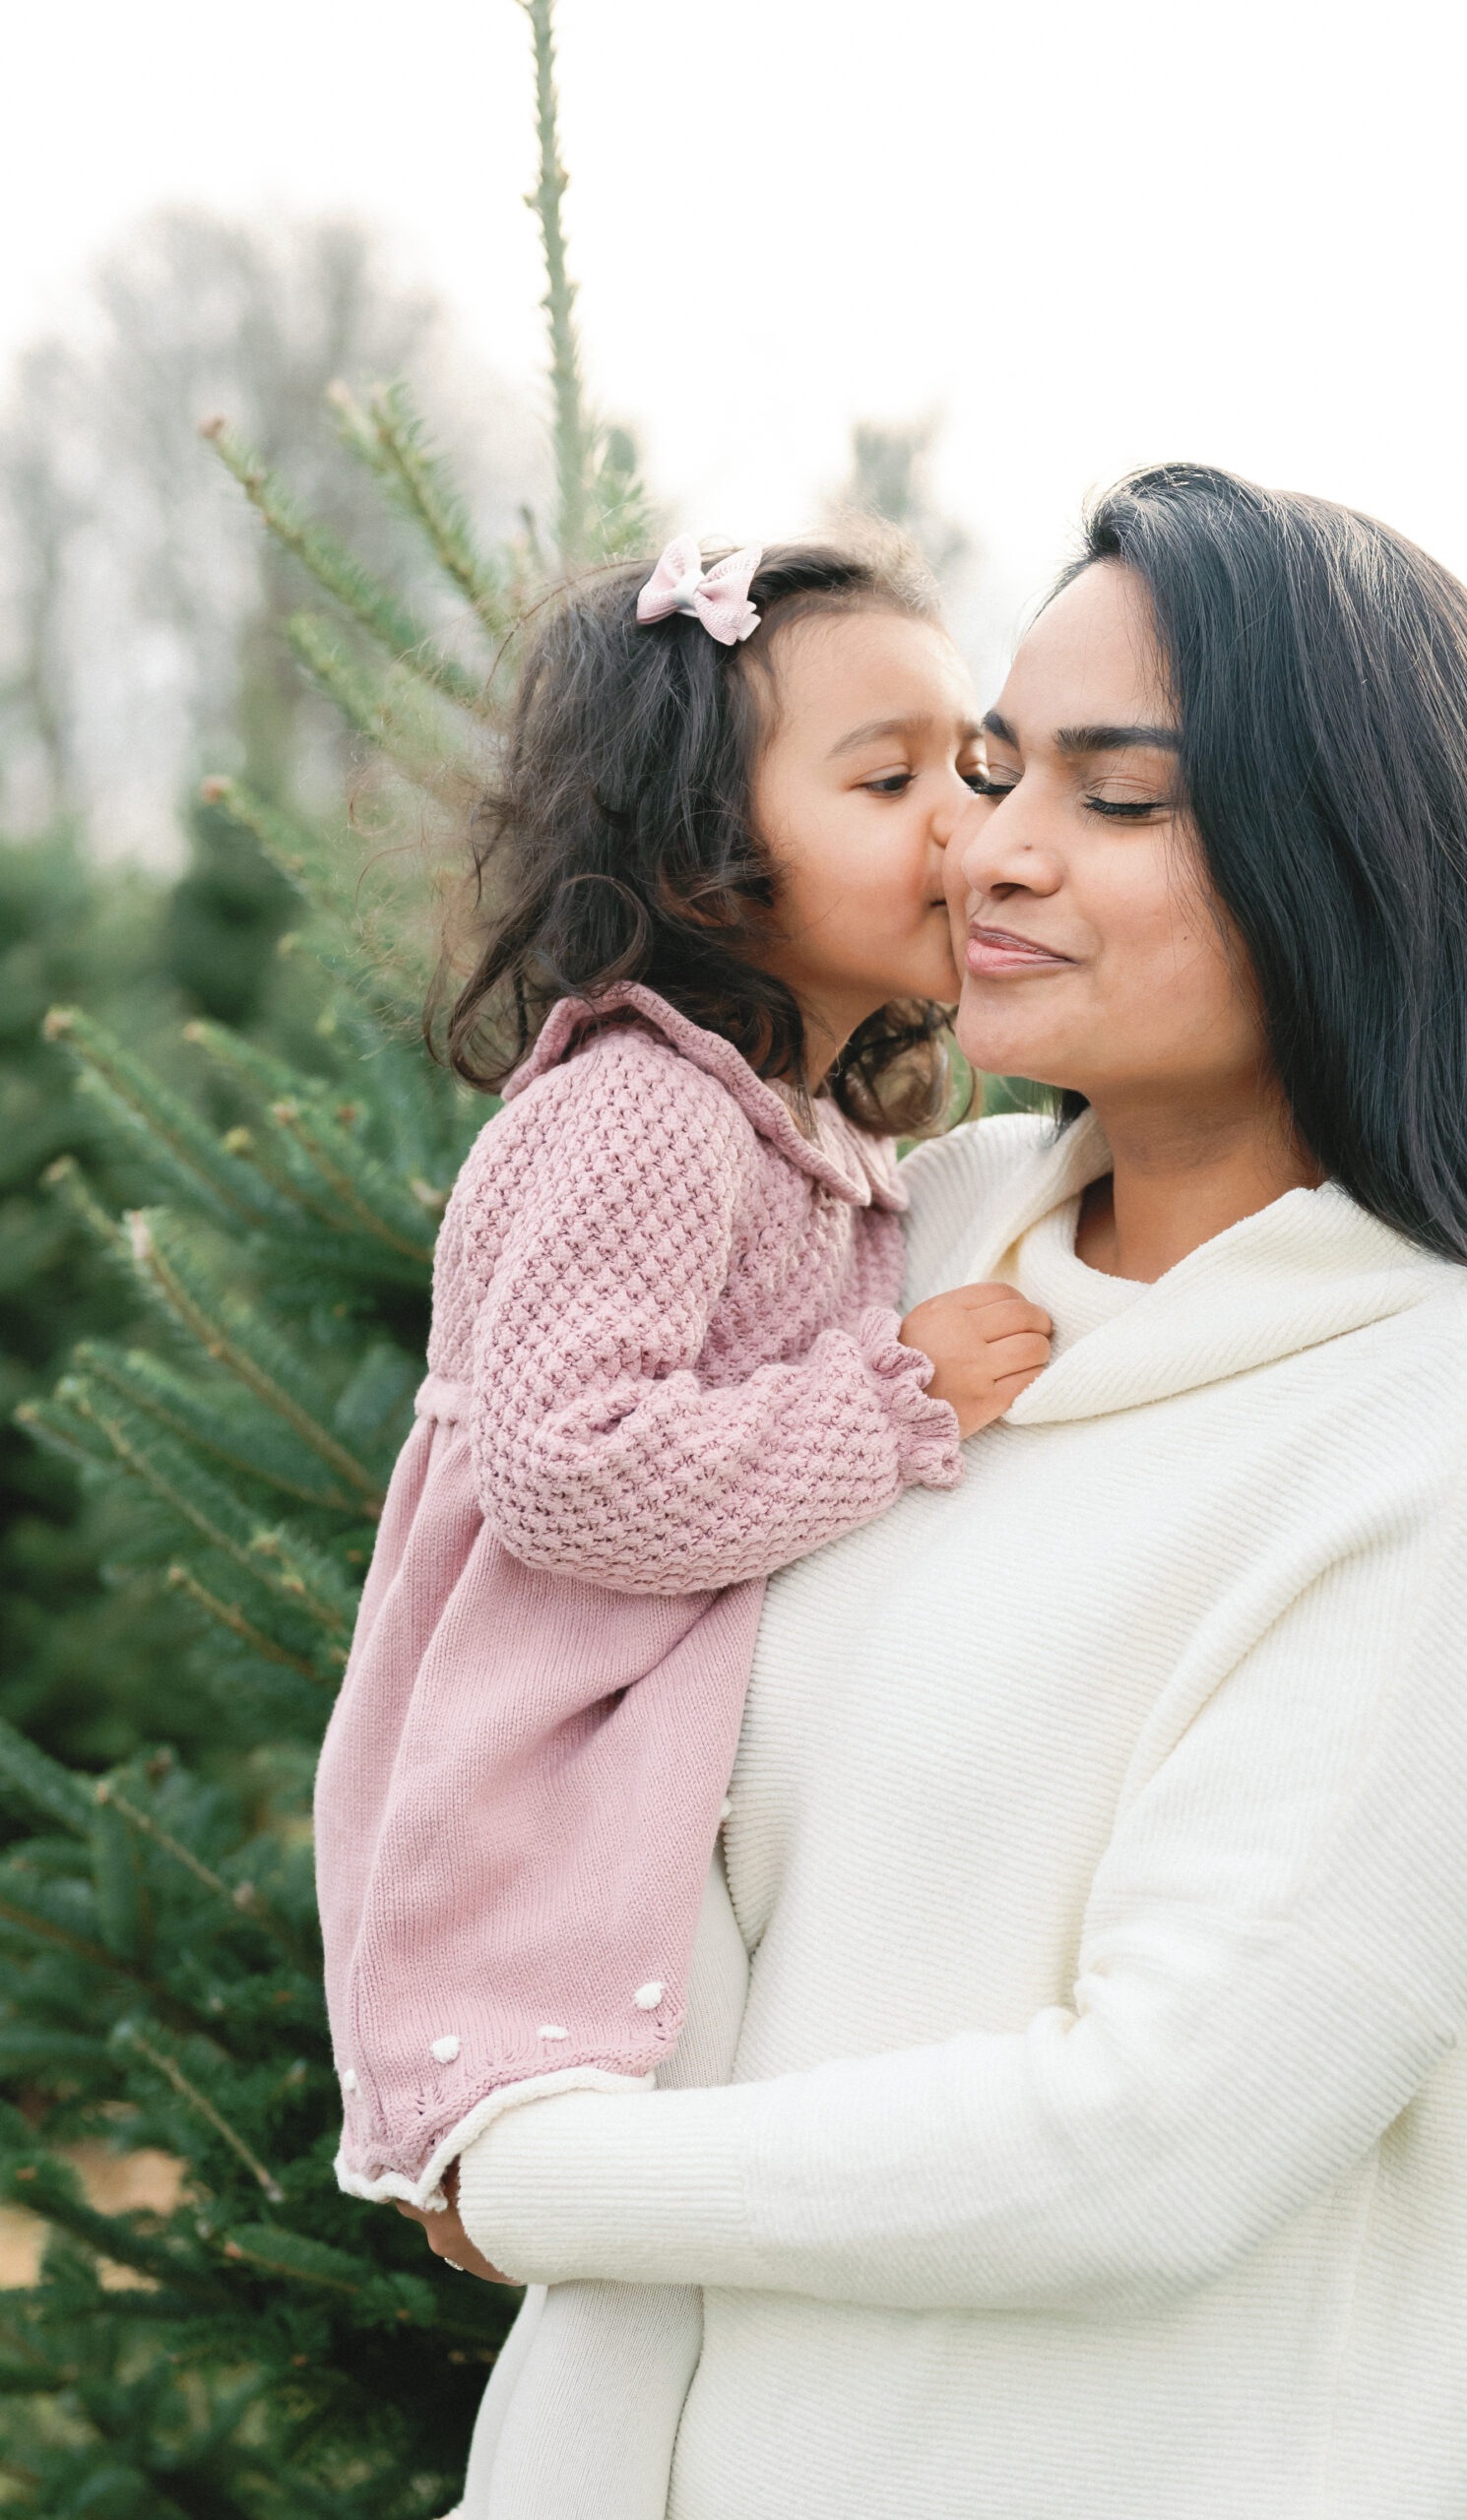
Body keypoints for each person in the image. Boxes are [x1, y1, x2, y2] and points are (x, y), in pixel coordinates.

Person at [420, 467, 1467, 2520]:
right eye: (985, 769)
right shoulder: (894, 1242)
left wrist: (530, 2167)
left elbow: (1157, 2143)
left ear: (1359, 861)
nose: (995, 847)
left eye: (1120, 795)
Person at [311, 533, 1052, 2503]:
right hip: (559, 1793)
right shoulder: (643, 1105)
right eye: (885, 781)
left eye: (970, 766)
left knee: (706, 2292)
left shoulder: (806, 1123)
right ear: (707, 851)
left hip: (676, 1789)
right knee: (634, 2284)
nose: (961, 823)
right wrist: (892, 1403)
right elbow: (571, 1468)